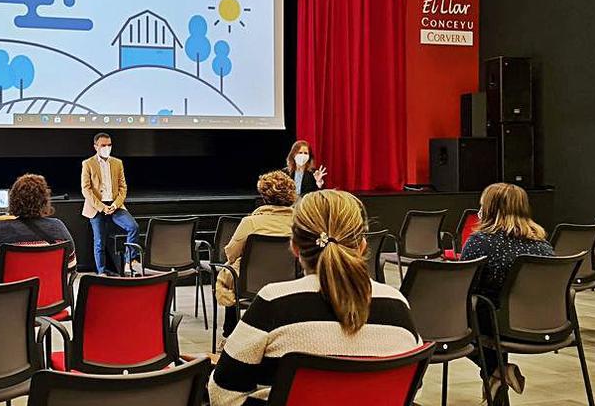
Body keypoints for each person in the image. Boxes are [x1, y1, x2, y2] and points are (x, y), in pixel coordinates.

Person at [209, 190, 421, 406]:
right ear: (363, 246)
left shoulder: (274, 303)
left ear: (294, 247)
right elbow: (413, 389)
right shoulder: (396, 304)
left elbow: (223, 394)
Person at [460, 182, 552, 401]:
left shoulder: (480, 242)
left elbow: (463, 288)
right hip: (544, 323)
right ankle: (496, 376)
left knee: (452, 317)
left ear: (488, 209)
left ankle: (496, 371)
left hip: (500, 322)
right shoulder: (543, 245)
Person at [216, 171, 296, 339]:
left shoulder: (251, 222)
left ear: (264, 196)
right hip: (290, 283)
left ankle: (229, 333)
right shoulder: (299, 222)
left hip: (250, 285)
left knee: (230, 271)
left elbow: (231, 253)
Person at [0, 174, 76, 283]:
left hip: (8, 298)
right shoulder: (59, 228)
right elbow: (71, 268)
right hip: (51, 299)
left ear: (13, 200)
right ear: (45, 201)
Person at [81, 132, 140, 275]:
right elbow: (86, 189)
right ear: (96, 147)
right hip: (97, 206)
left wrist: (115, 205)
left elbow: (123, 187)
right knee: (99, 241)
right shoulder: (88, 164)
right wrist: (102, 207)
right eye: (103, 145)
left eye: (109, 145)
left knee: (133, 227)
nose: (106, 148)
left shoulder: (117, 163)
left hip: (115, 205)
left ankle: (128, 261)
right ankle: (101, 272)